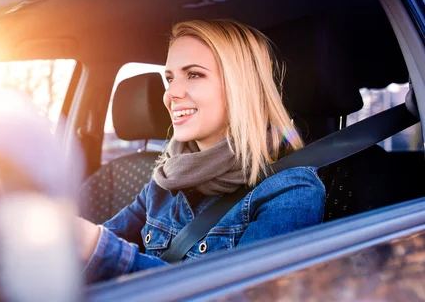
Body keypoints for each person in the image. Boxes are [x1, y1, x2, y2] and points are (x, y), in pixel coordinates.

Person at [77, 19, 325, 283]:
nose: (170, 92)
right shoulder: (166, 182)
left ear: (240, 87)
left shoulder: (290, 192)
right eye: (170, 78)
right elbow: (95, 243)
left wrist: (101, 250)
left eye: (194, 74)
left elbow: (240, 297)